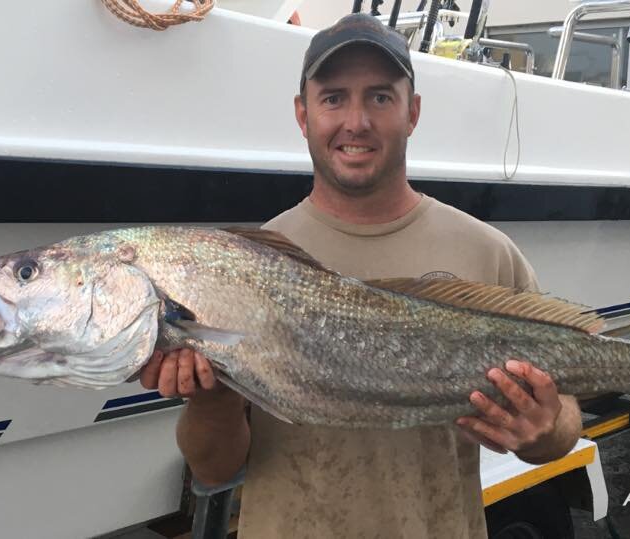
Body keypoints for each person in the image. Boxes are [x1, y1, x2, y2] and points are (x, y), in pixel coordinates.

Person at [139, 13, 582, 538]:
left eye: (379, 97)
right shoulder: (245, 264)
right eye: (333, 98)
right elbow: (216, 471)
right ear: (303, 115)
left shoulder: (487, 252)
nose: (356, 121)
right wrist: (214, 397)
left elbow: (564, 419)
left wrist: (542, 429)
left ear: (412, 112)